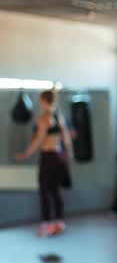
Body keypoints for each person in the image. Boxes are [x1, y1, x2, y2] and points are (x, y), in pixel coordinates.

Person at [16, 89, 73, 238]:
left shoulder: (45, 117)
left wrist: (27, 153)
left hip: (49, 156)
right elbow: (66, 138)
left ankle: (45, 224)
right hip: (60, 155)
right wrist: (68, 155)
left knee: (44, 191)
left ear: (43, 100)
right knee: (55, 191)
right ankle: (59, 222)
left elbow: (40, 138)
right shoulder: (59, 115)